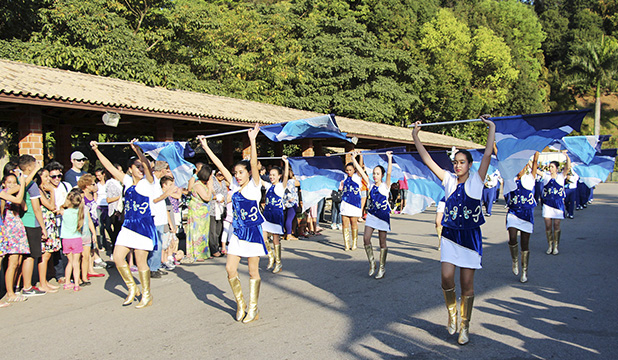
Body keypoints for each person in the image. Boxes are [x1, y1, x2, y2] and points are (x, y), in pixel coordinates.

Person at [412, 115, 495, 345]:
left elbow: (487, 154)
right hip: (450, 235)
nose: (457, 165)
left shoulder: (477, 181)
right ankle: (452, 314)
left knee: (467, 285)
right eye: (456, 162)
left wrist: (491, 128)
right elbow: (427, 160)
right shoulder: (448, 180)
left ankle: (465, 326)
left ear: (469, 164)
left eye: (462, 162)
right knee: (447, 278)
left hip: (469, 237)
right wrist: (415, 136)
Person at [199, 124, 266, 323]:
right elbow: (219, 165)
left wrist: (253, 140)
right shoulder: (235, 186)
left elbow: (253, 164)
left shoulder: (254, 186)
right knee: (230, 269)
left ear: (248, 174)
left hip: (252, 232)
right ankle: (241, 303)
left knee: (253, 271)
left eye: (240, 172)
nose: (237, 175)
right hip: (236, 233)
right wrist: (206, 146)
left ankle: (253, 308)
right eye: (235, 172)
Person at [91, 139, 158, 308]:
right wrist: (96, 150)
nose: (141, 169)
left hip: (143, 225)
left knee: (140, 260)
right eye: (137, 167)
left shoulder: (148, 182)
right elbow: (110, 168)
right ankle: (132, 288)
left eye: (142, 166)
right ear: (130, 169)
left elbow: (148, 166)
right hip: (128, 224)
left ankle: (147, 295)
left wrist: (137, 150)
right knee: (118, 256)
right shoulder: (127, 181)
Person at [352, 150, 392, 279]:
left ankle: (382, 267)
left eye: (377, 173)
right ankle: (372, 264)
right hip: (372, 214)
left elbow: (389, 172)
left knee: (382, 242)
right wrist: (354, 158)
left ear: (382, 175)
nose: (375, 175)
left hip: (383, 216)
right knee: (366, 238)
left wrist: (389, 158)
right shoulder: (370, 185)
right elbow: (361, 172)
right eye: (374, 173)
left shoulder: (385, 186)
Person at [1, 168, 39, 303]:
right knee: (12, 262)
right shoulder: (3, 192)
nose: (11, 185)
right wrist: (22, 183)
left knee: (17, 262)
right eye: (8, 182)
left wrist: (21, 187)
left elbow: (24, 206)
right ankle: (9, 293)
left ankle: (14, 288)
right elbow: (17, 199)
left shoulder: (13, 194)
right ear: (3, 183)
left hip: (18, 228)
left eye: (13, 182)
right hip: (9, 230)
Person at [505, 152, 539, 283]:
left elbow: (535, 163)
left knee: (525, 244)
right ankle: (514, 260)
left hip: (526, 214)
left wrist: (536, 152)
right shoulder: (510, 179)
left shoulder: (529, 179)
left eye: (522, 166)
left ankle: (524, 270)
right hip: (513, 212)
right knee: (512, 237)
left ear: (525, 167)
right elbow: (502, 161)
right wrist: (495, 147)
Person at [18, 155, 49, 297]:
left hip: (22, 222)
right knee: (30, 256)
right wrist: (43, 227)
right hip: (32, 222)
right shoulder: (31, 184)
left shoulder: (18, 181)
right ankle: (27, 286)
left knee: (22, 256)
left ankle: (19, 284)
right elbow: (36, 208)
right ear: (30, 167)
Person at [262, 156, 289, 274]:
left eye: (274, 175)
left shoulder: (280, 187)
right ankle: (271, 257)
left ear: (279, 176)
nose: (271, 177)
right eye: (270, 174)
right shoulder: (268, 186)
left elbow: (286, 176)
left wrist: (286, 163)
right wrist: (249, 163)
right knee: (263, 237)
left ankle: (278, 262)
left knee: (275, 239)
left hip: (276, 214)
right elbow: (257, 178)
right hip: (267, 214)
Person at [541, 151, 571, 255]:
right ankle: (549, 245)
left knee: (557, 225)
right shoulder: (546, 176)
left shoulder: (561, 176)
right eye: (549, 167)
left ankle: (556, 246)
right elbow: (535, 169)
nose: (550, 169)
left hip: (558, 204)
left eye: (552, 167)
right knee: (548, 225)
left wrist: (566, 156)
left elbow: (568, 167)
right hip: (547, 204)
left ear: (557, 168)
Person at [35, 168, 60, 292]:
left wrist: (51, 192)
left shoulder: (45, 191)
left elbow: (54, 206)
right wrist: (52, 191)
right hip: (45, 223)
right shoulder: (38, 191)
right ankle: (42, 282)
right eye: (45, 176)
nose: (48, 179)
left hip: (50, 221)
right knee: (45, 254)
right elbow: (50, 206)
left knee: (49, 253)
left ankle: (45, 281)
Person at [60, 189, 88, 291]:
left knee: (69, 262)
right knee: (76, 263)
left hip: (66, 239)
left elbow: (60, 208)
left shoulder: (64, 212)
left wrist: (65, 203)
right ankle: (76, 284)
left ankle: (67, 282)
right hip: (76, 239)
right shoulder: (79, 213)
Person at [185, 164, 213, 262]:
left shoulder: (203, 185)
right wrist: (210, 187)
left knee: (204, 232)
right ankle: (197, 253)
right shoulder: (197, 185)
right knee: (197, 232)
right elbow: (207, 197)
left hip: (204, 212)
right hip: (197, 212)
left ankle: (204, 252)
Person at [339, 159, 362, 251]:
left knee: (353, 223)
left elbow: (360, 168)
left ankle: (354, 243)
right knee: (345, 223)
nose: (348, 172)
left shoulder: (357, 177)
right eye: (347, 170)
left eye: (350, 170)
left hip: (354, 203)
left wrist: (358, 157)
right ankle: (346, 244)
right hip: (345, 202)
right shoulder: (344, 177)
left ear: (354, 170)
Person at [283, 169, 299, 241]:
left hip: (285, 201)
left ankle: (286, 233)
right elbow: (302, 183)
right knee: (290, 219)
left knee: (287, 218)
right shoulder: (292, 181)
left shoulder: (283, 181)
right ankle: (289, 234)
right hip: (292, 202)